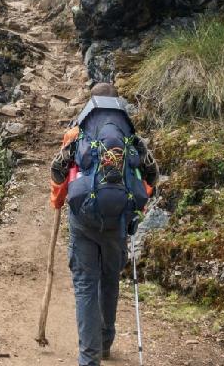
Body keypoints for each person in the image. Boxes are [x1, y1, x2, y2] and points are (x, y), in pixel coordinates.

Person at [49, 82, 158, 366]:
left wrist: (58, 201)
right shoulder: (131, 138)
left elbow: (59, 172)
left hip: (83, 220)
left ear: (92, 101)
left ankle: (90, 358)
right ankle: (106, 341)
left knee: (86, 285)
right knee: (109, 281)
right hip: (117, 223)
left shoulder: (77, 133)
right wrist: (134, 207)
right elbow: (151, 179)